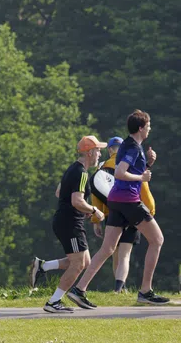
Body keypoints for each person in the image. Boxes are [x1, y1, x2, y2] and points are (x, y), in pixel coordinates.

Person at [68, 111, 169, 307]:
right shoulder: (132, 147)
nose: (150, 128)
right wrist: (142, 178)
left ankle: (79, 289)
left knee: (107, 249)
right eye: (148, 125)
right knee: (157, 240)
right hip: (129, 201)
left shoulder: (128, 146)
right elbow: (121, 173)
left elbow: (127, 170)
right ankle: (145, 291)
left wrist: (148, 164)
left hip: (116, 200)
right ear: (140, 128)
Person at [28, 136, 105, 312]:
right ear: (89, 152)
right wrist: (93, 210)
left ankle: (43, 266)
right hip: (70, 224)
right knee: (78, 264)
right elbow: (77, 200)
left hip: (68, 220)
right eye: (98, 151)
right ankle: (53, 302)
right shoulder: (82, 173)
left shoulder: (74, 169)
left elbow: (59, 192)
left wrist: (82, 209)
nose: (100, 154)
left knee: (84, 261)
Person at [86, 136, 157, 293]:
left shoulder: (102, 167)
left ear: (110, 149)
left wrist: (96, 220)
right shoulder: (130, 163)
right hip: (133, 211)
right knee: (125, 253)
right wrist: (150, 210)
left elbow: (96, 195)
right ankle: (120, 287)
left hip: (113, 213)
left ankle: (118, 287)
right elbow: (143, 188)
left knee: (113, 252)